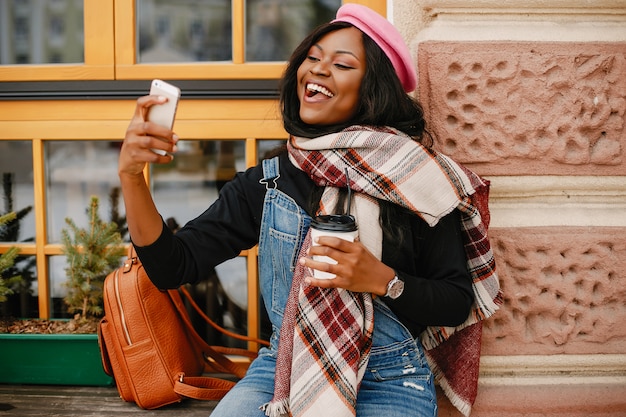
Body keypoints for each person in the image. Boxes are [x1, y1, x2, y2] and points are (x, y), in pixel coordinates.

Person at [118, 4, 501, 417]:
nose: (317, 69)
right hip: (280, 370)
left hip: (390, 377)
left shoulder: (416, 180)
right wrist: (131, 176)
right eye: (312, 58)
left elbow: (456, 301)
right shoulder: (269, 182)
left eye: (341, 64)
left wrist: (383, 280)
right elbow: (173, 267)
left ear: (372, 88)